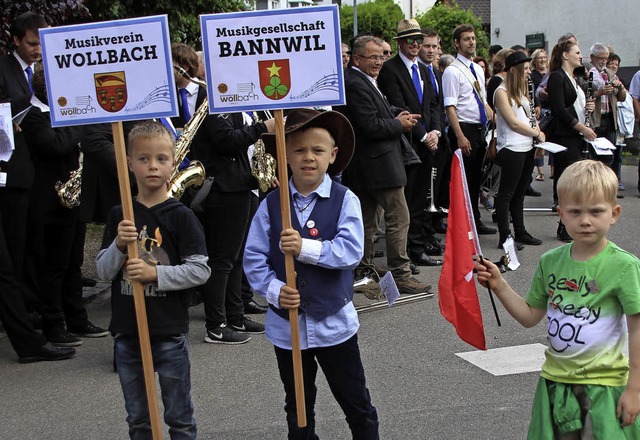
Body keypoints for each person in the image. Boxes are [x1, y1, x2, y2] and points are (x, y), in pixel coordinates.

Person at [475, 160, 640, 438]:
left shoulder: (624, 266)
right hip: (555, 385)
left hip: (604, 387)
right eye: (575, 212)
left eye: (596, 211)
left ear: (614, 213)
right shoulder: (550, 262)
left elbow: (637, 330)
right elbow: (530, 316)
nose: (585, 220)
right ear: (561, 214)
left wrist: (635, 388)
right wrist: (499, 285)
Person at [243, 108, 379, 439]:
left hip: (335, 325)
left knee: (355, 401)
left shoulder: (346, 200)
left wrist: (303, 247)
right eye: (299, 150)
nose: (308, 158)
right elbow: (254, 258)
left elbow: (350, 250)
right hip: (287, 328)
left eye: (318, 150)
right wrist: (275, 290)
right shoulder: (271, 204)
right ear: (285, 154)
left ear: (332, 155)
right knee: (299, 405)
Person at [96, 121, 210, 439]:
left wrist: (155, 274)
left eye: (161, 158)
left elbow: (200, 270)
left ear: (173, 162)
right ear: (129, 163)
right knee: (138, 420)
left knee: (179, 417)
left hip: (168, 332)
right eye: (143, 159)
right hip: (127, 334)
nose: (153, 166)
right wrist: (119, 246)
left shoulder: (181, 216)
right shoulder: (121, 214)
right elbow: (104, 272)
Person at [338, 35, 431, 295]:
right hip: (378, 165)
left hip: (371, 165)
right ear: (357, 58)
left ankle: (364, 267)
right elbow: (369, 125)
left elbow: (376, 112)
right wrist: (398, 124)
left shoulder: (362, 80)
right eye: (373, 57)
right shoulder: (355, 82)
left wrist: (395, 114)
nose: (379, 62)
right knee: (398, 218)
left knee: (367, 221)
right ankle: (401, 274)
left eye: (381, 56)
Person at [378, 19, 443, 267]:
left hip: (428, 143)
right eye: (410, 40)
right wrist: (425, 135)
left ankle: (416, 249)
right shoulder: (390, 70)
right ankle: (405, 253)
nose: (415, 44)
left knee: (420, 200)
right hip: (408, 144)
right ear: (400, 43)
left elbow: (433, 105)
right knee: (405, 203)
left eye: (418, 39)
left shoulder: (425, 70)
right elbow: (399, 108)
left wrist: (435, 131)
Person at [442, 24, 496, 235]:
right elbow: (450, 107)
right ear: (456, 43)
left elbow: (482, 102)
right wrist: (460, 136)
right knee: (463, 182)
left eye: (473, 38)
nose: (471, 42)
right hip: (464, 129)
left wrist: (498, 121)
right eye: (466, 39)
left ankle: (474, 221)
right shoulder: (452, 71)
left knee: (475, 180)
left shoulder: (478, 69)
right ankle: (463, 226)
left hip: (480, 128)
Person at [546, 39, 596, 241]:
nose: (580, 55)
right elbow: (559, 109)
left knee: (574, 182)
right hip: (564, 136)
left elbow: (573, 105)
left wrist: (588, 109)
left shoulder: (572, 78)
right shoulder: (557, 77)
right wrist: (581, 127)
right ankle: (563, 225)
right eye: (577, 52)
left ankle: (567, 223)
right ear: (565, 55)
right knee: (567, 181)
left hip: (574, 136)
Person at [493, 51, 544, 249]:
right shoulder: (501, 92)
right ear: (513, 70)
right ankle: (505, 236)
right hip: (511, 148)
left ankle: (520, 231)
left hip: (527, 147)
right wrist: (535, 133)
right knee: (507, 193)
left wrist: (539, 134)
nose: (528, 73)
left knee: (520, 192)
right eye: (524, 69)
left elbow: (531, 118)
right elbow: (513, 123)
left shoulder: (522, 92)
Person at [588, 43, 626, 184]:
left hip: (610, 119)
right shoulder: (587, 72)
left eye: (606, 58)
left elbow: (621, 97)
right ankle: (594, 185)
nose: (604, 61)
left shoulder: (610, 74)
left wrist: (620, 87)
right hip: (595, 120)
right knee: (594, 156)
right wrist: (600, 92)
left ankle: (605, 185)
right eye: (601, 58)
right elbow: (584, 97)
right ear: (592, 57)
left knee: (610, 155)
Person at [530, 48, 549, 181]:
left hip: (551, 109)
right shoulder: (532, 75)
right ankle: (540, 170)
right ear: (534, 61)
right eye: (539, 58)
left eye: (544, 57)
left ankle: (552, 169)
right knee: (539, 140)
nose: (542, 60)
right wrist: (538, 105)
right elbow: (533, 93)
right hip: (540, 110)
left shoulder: (550, 73)